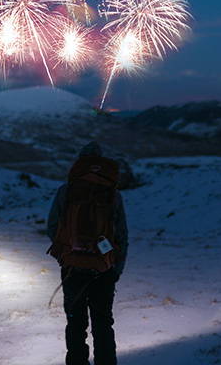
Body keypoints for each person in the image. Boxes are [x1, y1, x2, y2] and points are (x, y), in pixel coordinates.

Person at [47, 141, 129, 365]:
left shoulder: (66, 191)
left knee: (75, 323)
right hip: (103, 269)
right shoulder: (113, 194)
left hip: (73, 268)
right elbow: (121, 235)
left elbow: (52, 227)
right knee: (102, 323)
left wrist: (66, 256)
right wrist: (115, 268)